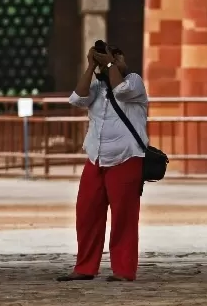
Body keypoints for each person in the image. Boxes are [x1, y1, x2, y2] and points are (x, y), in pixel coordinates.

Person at [57, 44, 149, 282]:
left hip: (126, 158)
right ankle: (85, 267)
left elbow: (120, 91)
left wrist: (110, 64)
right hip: (96, 158)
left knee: (124, 217)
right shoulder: (96, 88)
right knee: (86, 214)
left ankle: (123, 269)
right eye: (108, 56)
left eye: (117, 56)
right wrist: (91, 65)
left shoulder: (134, 82)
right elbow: (77, 99)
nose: (112, 60)